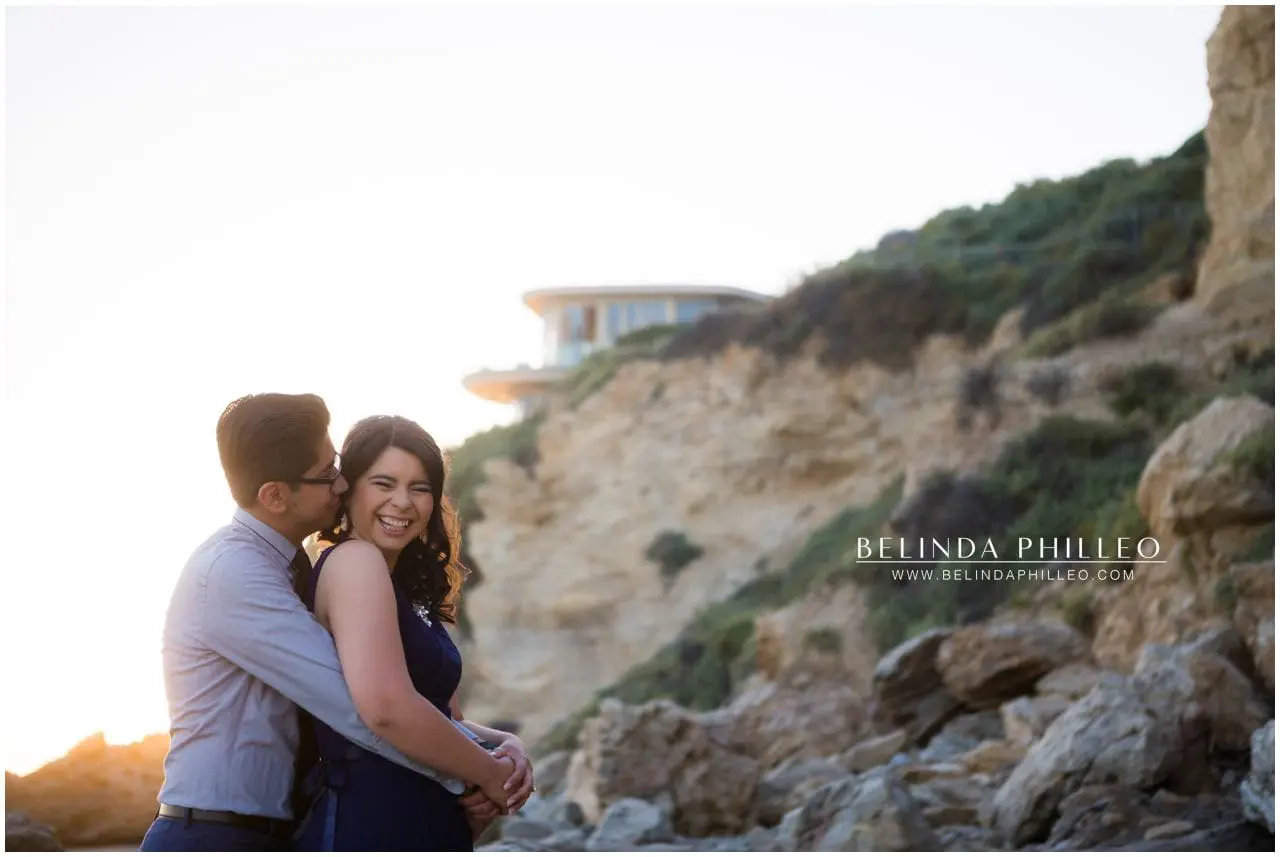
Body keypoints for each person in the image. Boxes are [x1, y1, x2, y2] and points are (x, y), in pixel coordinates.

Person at [140, 393, 527, 852]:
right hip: (212, 834)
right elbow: (367, 707)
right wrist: (481, 774)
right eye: (329, 475)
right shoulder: (233, 572)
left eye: (338, 466)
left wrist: (499, 745)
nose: (340, 484)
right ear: (275, 495)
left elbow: (410, 705)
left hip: (278, 829)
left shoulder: (295, 566)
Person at [292, 414, 536, 851]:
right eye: (383, 484)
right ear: (349, 488)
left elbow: (448, 719)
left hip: (429, 814)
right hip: (374, 816)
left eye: (419, 488)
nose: (402, 502)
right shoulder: (355, 561)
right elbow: (386, 707)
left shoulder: (403, 585)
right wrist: (489, 774)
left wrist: (506, 746)